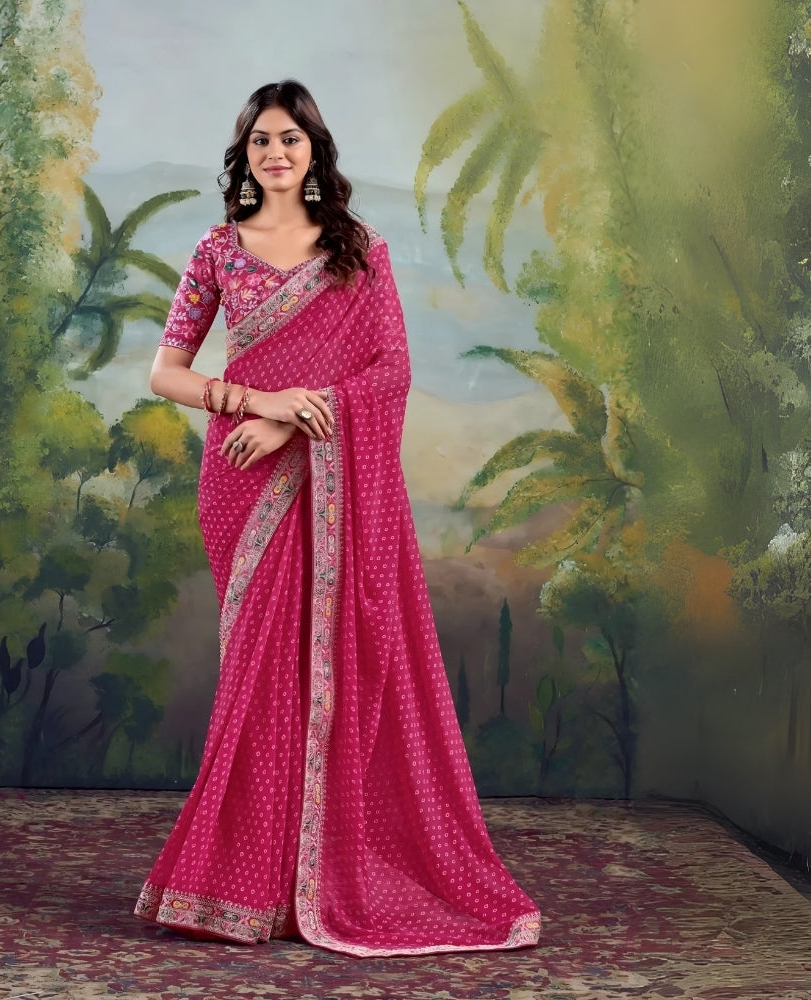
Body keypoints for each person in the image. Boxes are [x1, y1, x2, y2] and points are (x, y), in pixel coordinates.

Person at [134, 80, 540, 957]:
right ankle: (240, 885)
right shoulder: (217, 251)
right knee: (259, 681)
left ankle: (297, 884)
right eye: (260, 141)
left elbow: (390, 370)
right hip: (243, 488)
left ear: (316, 149)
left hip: (314, 470)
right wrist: (251, 399)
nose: (275, 154)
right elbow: (164, 374)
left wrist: (288, 416)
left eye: (291, 139)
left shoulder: (358, 251)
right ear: (243, 155)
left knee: (320, 678)